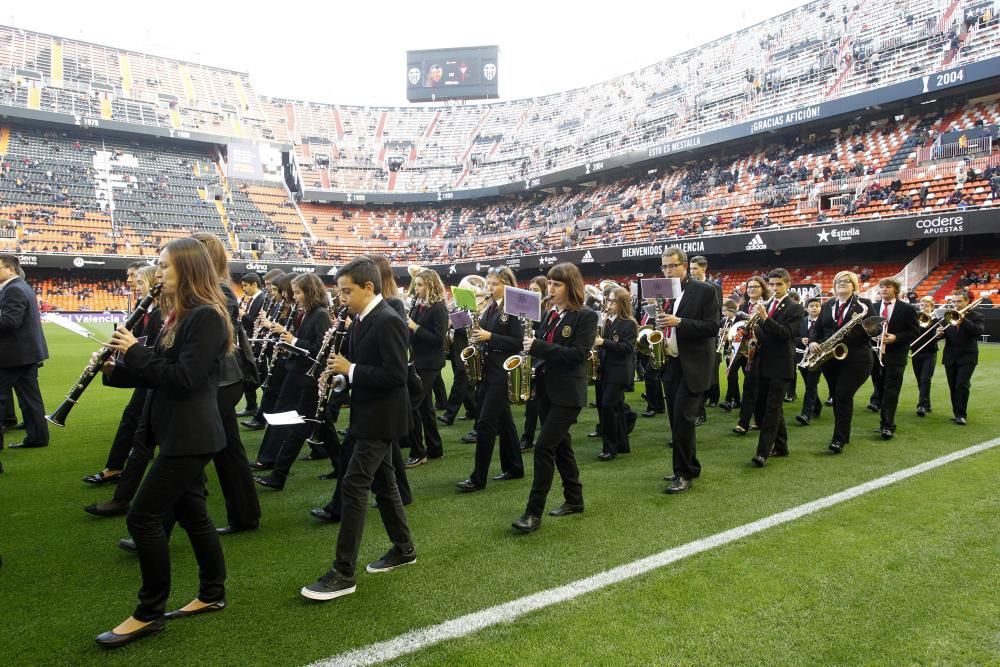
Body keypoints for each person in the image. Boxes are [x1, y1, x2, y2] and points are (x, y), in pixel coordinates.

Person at [95, 238, 232, 647]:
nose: (158, 273)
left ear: (187, 270)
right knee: (193, 515)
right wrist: (115, 366)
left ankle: (148, 612)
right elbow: (160, 371)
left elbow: (185, 379)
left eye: (165, 266)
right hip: (178, 430)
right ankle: (212, 593)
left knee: (142, 517)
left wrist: (136, 351)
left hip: (190, 434)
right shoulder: (180, 315)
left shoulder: (206, 317)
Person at [301, 257, 415, 601]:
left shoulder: (388, 321)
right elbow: (358, 368)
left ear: (369, 287)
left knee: (354, 486)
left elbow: (396, 377)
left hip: (382, 418)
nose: (342, 298)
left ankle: (343, 572)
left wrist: (350, 370)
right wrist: (339, 377)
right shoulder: (360, 319)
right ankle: (404, 549)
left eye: (347, 291)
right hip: (369, 414)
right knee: (385, 484)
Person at [513, 262, 597, 533]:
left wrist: (539, 346)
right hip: (547, 390)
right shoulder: (551, 314)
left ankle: (533, 513)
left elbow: (577, 355)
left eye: (557, 284)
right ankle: (575, 499)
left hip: (568, 394)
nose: (551, 289)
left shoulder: (586, 316)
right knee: (562, 447)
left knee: (543, 448)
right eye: (550, 283)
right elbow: (545, 349)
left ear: (570, 286)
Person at [253, 273, 333, 490]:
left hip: (309, 376)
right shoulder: (307, 313)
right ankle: (340, 463)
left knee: (303, 426)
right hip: (297, 372)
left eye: (298, 292)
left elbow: (320, 350)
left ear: (309, 292)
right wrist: (287, 345)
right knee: (322, 425)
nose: (295, 297)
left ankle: (279, 474)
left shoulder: (320, 314)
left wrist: (293, 340)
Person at [82, 265, 160, 486]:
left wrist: (129, 350)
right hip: (144, 369)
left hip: (152, 372)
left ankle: (116, 469)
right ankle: (116, 468)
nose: (137, 286)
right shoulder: (143, 306)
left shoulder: (162, 313)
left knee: (136, 419)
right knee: (137, 420)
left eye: (141, 282)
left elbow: (152, 348)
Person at [653, 247, 720, 492]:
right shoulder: (665, 292)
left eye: (672, 266)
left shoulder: (705, 290)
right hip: (671, 362)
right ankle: (688, 467)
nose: (668, 270)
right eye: (664, 266)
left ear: (684, 265)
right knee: (676, 418)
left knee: (683, 419)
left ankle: (684, 474)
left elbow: (712, 327)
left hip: (694, 365)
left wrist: (679, 322)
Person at [456, 266, 525, 491]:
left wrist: (489, 336)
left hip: (503, 372)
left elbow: (517, 342)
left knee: (485, 424)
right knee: (505, 423)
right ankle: (514, 466)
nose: (490, 288)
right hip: (489, 370)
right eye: (489, 284)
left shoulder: (514, 308)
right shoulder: (491, 307)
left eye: (495, 284)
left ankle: (478, 478)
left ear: (507, 284)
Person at [807, 270, 875, 453]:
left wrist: (851, 334)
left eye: (846, 281)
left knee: (843, 395)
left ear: (854, 285)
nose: (842, 283)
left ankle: (839, 438)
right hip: (831, 358)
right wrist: (813, 341)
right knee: (838, 397)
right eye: (838, 281)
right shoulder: (828, 305)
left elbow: (873, 329)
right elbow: (817, 329)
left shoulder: (865, 305)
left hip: (857, 358)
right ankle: (844, 433)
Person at [750, 269, 804, 466]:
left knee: (772, 409)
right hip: (763, 362)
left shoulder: (795, 308)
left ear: (788, 284)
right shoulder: (767, 304)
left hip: (781, 364)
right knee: (768, 406)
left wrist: (764, 319)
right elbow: (765, 335)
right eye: (771, 284)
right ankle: (781, 446)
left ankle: (762, 452)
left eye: (778, 284)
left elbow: (784, 334)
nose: (774, 288)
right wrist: (751, 331)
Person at [0, 254, 49, 452]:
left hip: (14, 356)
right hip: (25, 354)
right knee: (30, 398)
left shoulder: (13, 289)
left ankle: (37, 436)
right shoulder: (20, 287)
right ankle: (38, 436)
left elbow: (11, 322)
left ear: (10, 269)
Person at [404, 269, 448, 467]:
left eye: (421, 285)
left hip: (430, 364)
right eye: (417, 285)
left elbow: (439, 340)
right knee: (424, 407)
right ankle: (434, 447)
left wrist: (416, 327)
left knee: (412, 405)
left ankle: (418, 451)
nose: (417, 289)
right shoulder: (418, 304)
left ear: (430, 285)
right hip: (418, 360)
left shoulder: (439, 308)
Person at [867, 278, 919, 439]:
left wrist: (896, 337)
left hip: (896, 355)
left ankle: (887, 425)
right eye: (881, 287)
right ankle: (885, 419)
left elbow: (914, 331)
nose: (883, 289)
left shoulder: (907, 309)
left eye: (888, 286)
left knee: (891, 390)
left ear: (895, 289)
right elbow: (866, 329)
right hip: (874, 355)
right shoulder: (873, 307)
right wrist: (872, 336)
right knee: (880, 388)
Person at [595, 287, 637, 460]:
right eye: (608, 300)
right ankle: (622, 445)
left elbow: (627, 348)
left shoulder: (629, 323)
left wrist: (603, 342)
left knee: (608, 407)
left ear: (622, 304)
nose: (609, 304)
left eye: (613, 301)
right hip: (605, 370)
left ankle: (610, 448)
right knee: (616, 408)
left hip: (618, 372)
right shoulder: (606, 319)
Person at [732, 276, 770, 435]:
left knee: (761, 388)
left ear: (763, 288)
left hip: (763, 351)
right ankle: (744, 422)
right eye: (749, 287)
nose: (752, 289)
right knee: (749, 385)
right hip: (745, 352)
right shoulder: (743, 306)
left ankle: (758, 420)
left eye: (755, 286)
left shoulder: (768, 305)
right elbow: (736, 328)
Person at [941, 289, 983, 426]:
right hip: (950, 357)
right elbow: (946, 336)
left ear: (967, 302)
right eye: (954, 301)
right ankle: (956, 413)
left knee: (961, 385)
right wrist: (939, 333)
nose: (956, 304)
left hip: (967, 357)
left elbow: (977, 333)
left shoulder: (976, 316)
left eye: (959, 301)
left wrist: (963, 320)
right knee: (953, 386)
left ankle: (961, 414)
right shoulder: (949, 316)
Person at [519, 276, 549, 448]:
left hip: (542, 359)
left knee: (540, 401)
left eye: (536, 290)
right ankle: (528, 437)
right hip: (529, 357)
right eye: (530, 290)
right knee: (531, 402)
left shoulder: (546, 311)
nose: (532, 293)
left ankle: (543, 437)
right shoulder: (527, 310)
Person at [236, 272, 265, 417]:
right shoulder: (253, 299)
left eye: (246, 285)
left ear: (254, 284)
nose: (244, 289)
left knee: (256, 374)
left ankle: (256, 406)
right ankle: (252, 406)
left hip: (256, 343)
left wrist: (242, 314)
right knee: (250, 374)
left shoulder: (261, 299)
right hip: (249, 340)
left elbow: (253, 322)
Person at [795, 297, 824, 425]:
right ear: (806, 308)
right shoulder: (801, 321)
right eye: (811, 306)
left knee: (811, 385)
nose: (814, 308)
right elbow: (792, 337)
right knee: (809, 384)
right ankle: (817, 406)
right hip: (802, 358)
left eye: (817, 305)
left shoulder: (824, 322)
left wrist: (817, 342)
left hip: (818, 358)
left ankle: (806, 414)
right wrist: (801, 340)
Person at [910, 296, 938, 417]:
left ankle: (921, 405)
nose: (923, 308)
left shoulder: (937, 320)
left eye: (926, 305)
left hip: (930, 353)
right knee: (919, 380)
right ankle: (927, 403)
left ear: (932, 307)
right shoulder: (916, 319)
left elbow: (937, 337)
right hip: (916, 351)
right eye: (922, 305)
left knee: (925, 379)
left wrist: (937, 330)